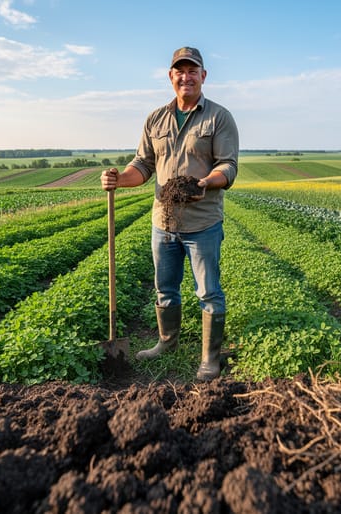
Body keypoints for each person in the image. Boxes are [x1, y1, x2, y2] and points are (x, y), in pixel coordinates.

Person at [101, 46, 239, 381]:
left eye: (193, 71)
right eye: (180, 71)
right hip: (163, 223)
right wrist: (119, 180)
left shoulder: (218, 117)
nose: (186, 76)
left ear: (203, 76)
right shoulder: (156, 119)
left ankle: (210, 357)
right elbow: (143, 165)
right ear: (171, 77)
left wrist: (206, 181)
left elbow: (228, 166)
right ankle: (167, 342)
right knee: (165, 288)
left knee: (208, 291)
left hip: (202, 222)